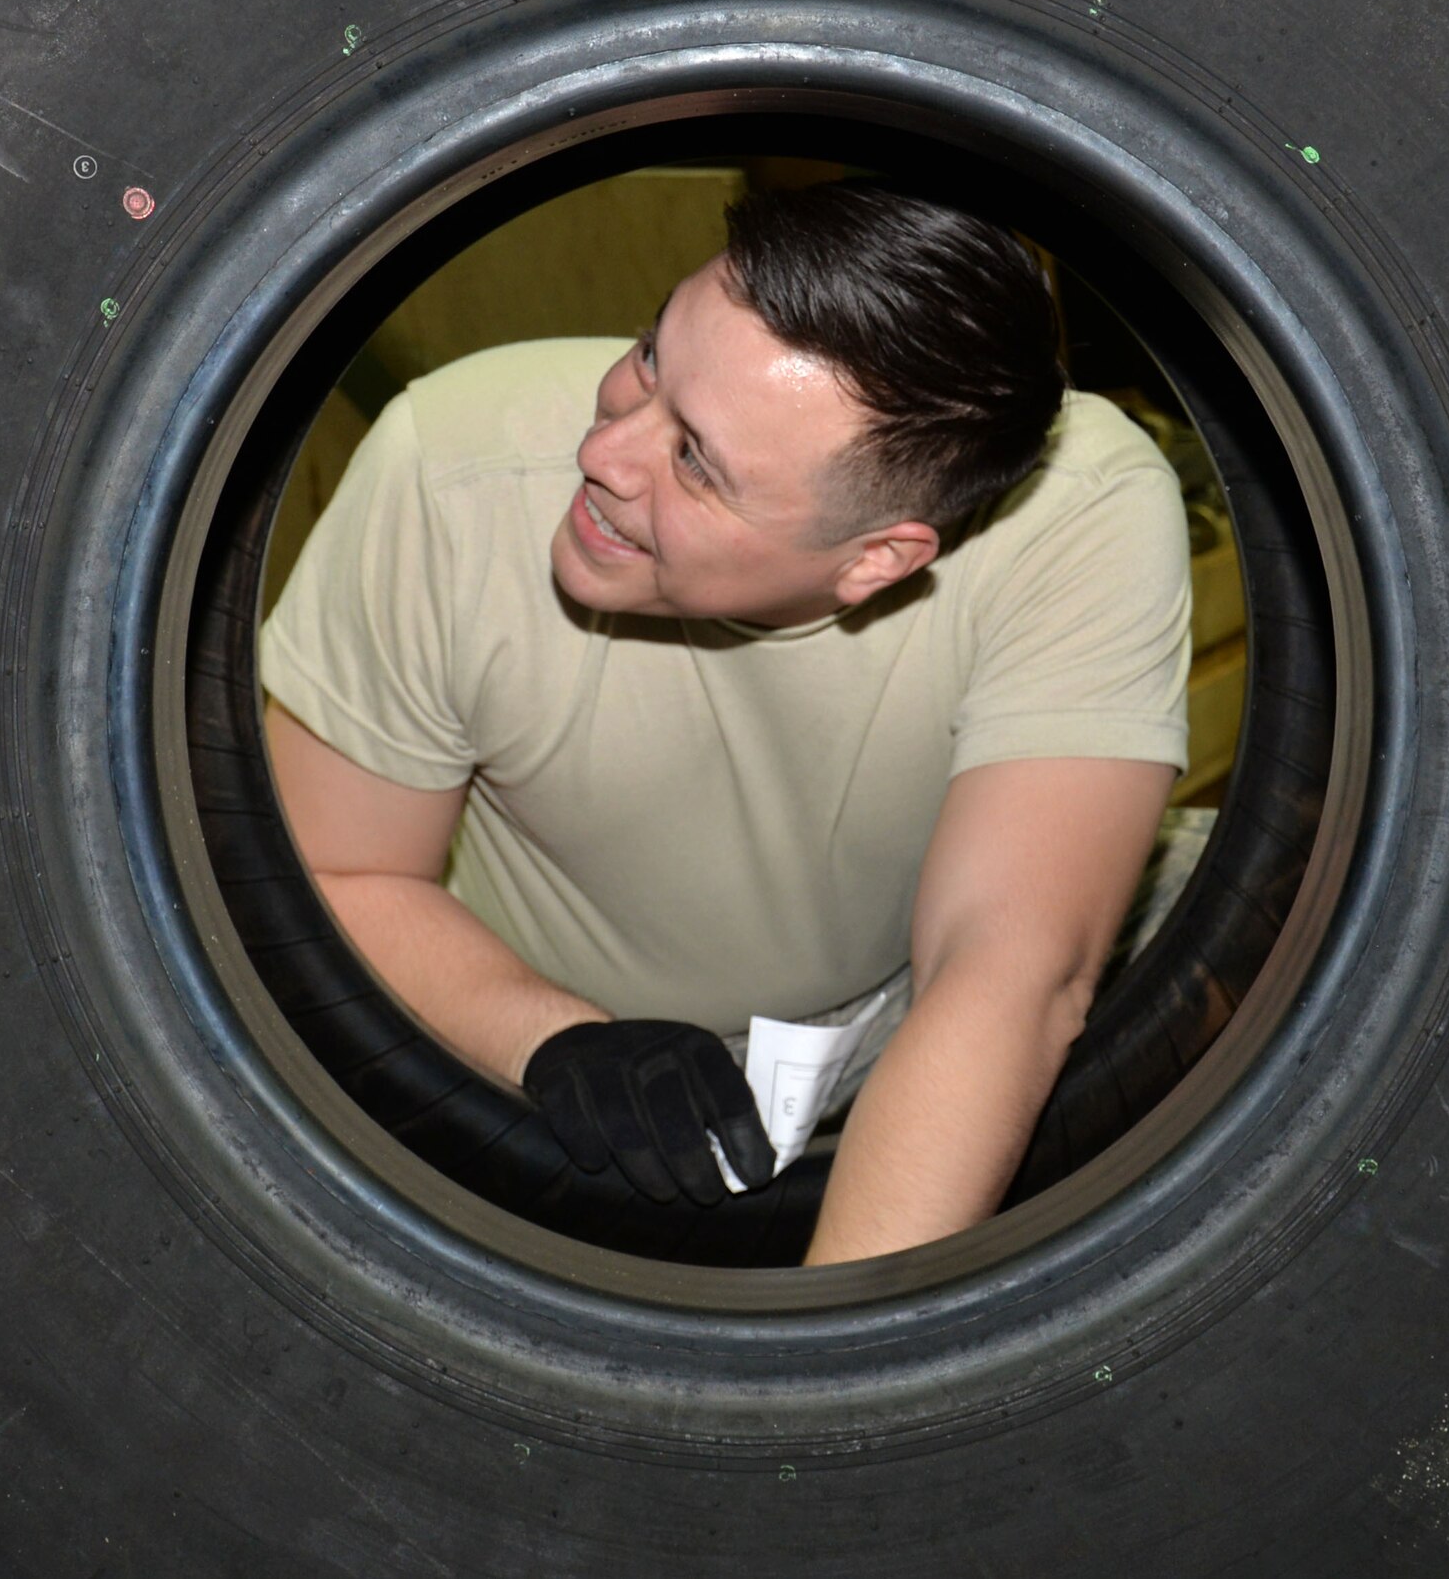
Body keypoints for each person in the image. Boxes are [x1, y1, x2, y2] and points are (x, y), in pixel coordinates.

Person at [260, 181, 1191, 1266]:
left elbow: (1007, 968)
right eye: (651, 354)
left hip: (895, 1048)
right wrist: (550, 1036)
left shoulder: (1077, 513)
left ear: (877, 559)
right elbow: (340, 872)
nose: (604, 454)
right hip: (527, 1071)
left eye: (694, 460)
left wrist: (830, 1390)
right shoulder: (449, 468)